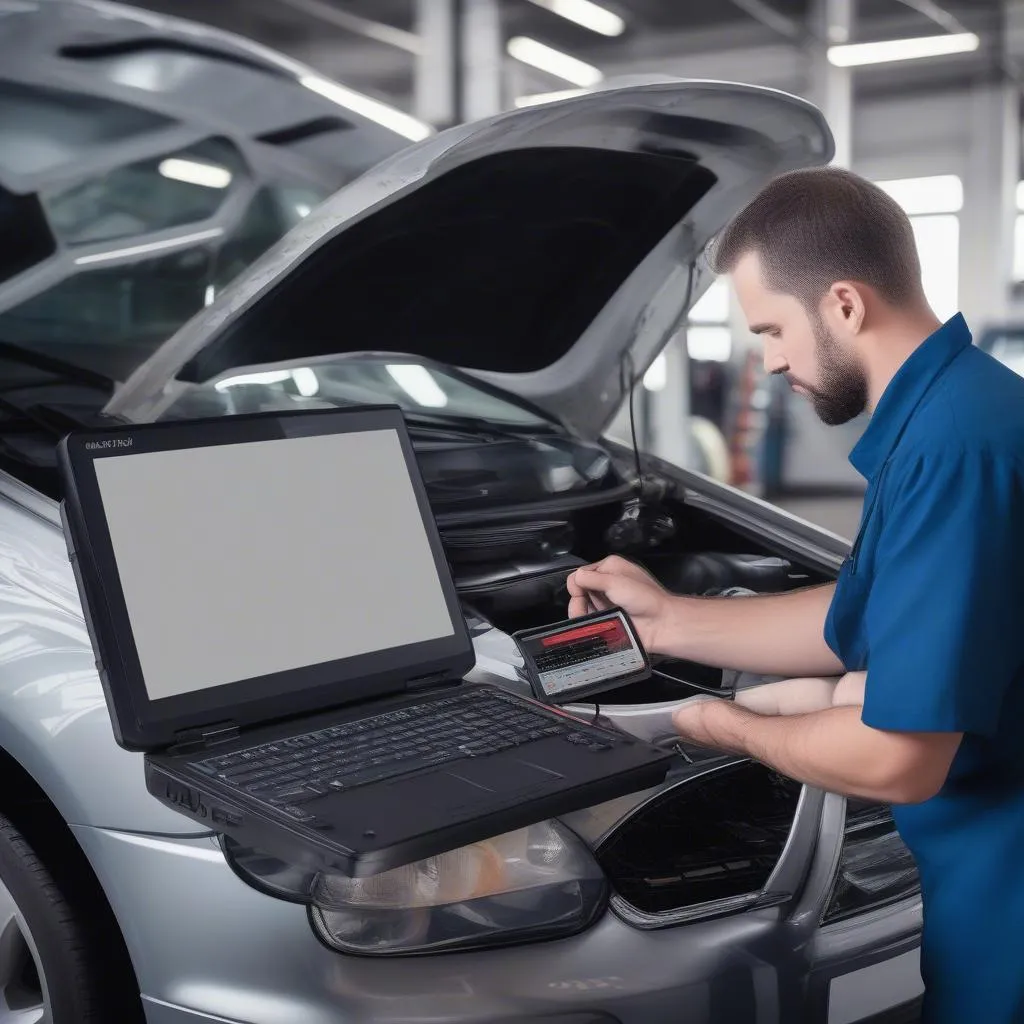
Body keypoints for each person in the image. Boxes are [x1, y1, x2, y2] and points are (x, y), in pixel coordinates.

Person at [567, 166, 1024, 1024]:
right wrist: (667, 620)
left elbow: (898, 759)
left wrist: (723, 728)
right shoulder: (959, 411)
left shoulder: (950, 453)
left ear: (844, 305)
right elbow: (866, 615)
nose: (770, 360)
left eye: (773, 328)